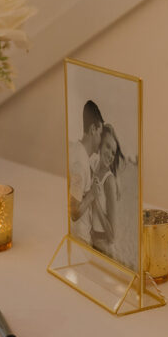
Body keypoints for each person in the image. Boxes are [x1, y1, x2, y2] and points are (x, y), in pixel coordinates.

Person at [69, 100, 103, 244]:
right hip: (79, 238)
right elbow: (74, 212)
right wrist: (92, 195)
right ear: (93, 129)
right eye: (100, 133)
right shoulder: (80, 163)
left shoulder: (77, 151)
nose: (100, 139)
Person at [89, 123, 125, 259]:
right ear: (100, 145)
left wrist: (95, 202)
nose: (110, 155)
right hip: (92, 241)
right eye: (108, 147)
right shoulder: (93, 165)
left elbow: (112, 236)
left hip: (105, 247)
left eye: (113, 152)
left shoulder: (109, 181)